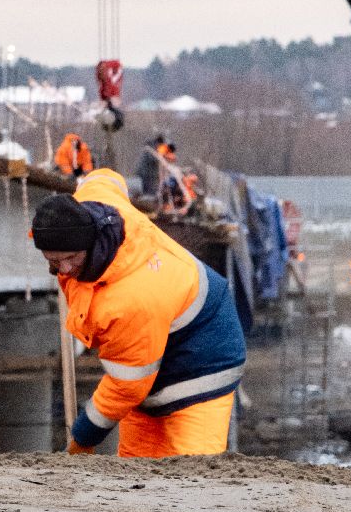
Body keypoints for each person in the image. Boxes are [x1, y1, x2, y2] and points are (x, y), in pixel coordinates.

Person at [32, 169, 246, 458]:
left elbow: (127, 385)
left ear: (90, 242)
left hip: (205, 356)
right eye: (54, 261)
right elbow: (105, 178)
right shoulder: (91, 204)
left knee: (193, 474)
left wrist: (82, 439)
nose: (65, 269)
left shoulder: (129, 298)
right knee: (135, 467)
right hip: (150, 350)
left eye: (72, 258)